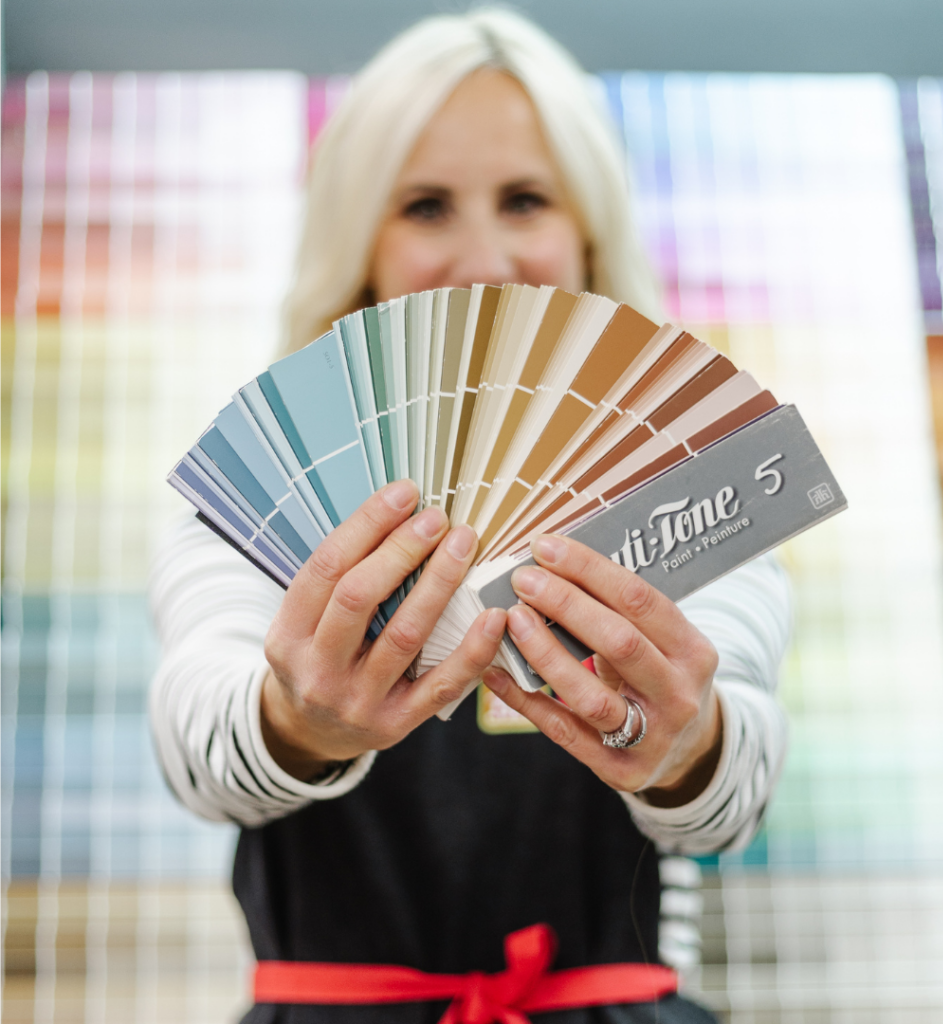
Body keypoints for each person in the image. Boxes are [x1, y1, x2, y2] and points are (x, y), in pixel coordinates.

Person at [150, 10, 790, 1023]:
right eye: (426, 206)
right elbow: (195, 745)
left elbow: (735, 782)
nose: (485, 258)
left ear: (588, 233)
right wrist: (293, 723)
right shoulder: (262, 480)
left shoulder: (684, 473)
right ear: (357, 244)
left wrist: (685, 745)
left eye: (526, 199)